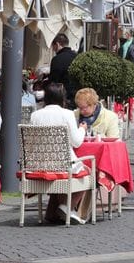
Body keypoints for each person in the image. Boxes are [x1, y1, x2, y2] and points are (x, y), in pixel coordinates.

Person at [30, 83, 88, 224]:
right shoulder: (67, 114)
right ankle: (67, 206)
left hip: (39, 164)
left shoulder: (35, 115)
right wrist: (82, 129)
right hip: (62, 165)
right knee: (88, 172)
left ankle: (55, 211)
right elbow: (77, 142)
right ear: (62, 98)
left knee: (69, 172)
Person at [50, 33, 78, 109]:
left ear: (57, 44)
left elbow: (53, 81)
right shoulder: (77, 56)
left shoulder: (57, 59)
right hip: (77, 96)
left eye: (53, 46)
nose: (53, 49)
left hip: (63, 98)